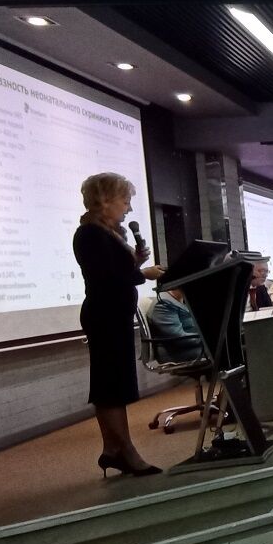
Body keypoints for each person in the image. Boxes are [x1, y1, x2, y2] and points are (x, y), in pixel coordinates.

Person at [73, 173, 166, 478]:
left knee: (114, 385)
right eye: (125, 201)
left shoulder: (108, 233)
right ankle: (126, 451)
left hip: (114, 315)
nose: (128, 208)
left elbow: (115, 272)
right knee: (110, 386)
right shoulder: (90, 234)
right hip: (105, 317)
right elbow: (107, 278)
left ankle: (113, 449)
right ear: (105, 200)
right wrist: (143, 273)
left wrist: (134, 261)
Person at [148, 288, 205, 362]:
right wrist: (205, 339)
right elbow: (179, 339)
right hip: (176, 352)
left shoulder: (182, 299)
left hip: (190, 346)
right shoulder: (163, 303)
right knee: (217, 351)